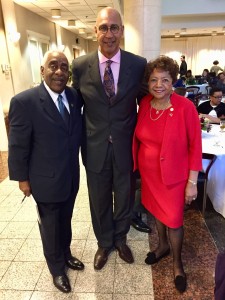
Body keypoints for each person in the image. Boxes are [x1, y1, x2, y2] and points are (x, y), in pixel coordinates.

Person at [72, 7, 149, 270]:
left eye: (114, 27)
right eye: (103, 27)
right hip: (94, 146)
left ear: (122, 32)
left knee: (125, 196)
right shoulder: (80, 66)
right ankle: (104, 243)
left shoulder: (137, 65)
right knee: (99, 198)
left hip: (126, 147)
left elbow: (146, 105)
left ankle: (120, 238)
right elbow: (73, 107)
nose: (109, 34)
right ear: (95, 31)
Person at [8, 50, 84, 293]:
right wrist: (22, 179)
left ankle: (66, 254)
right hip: (45, 179)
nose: (59, 71)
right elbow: (18, 145)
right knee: (50, 226)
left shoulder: (73, 96)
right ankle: (56, 269)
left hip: (71, 176)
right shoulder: (25, 102)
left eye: (64, 66)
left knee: (66, 220)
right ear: (42, 70)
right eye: (53, 66)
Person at [132, 55, 202, 293]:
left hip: (174, 178)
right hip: (150, 175)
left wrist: (192, 182)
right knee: (157, 213)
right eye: (153, 80)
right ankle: (161, 247)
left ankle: (177, 263)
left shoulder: (186, 107)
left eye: (164, 79)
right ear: (148, 83)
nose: (158, 85)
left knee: (174, 220)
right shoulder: (144, 104)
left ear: (173, 81)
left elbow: (195, 147)